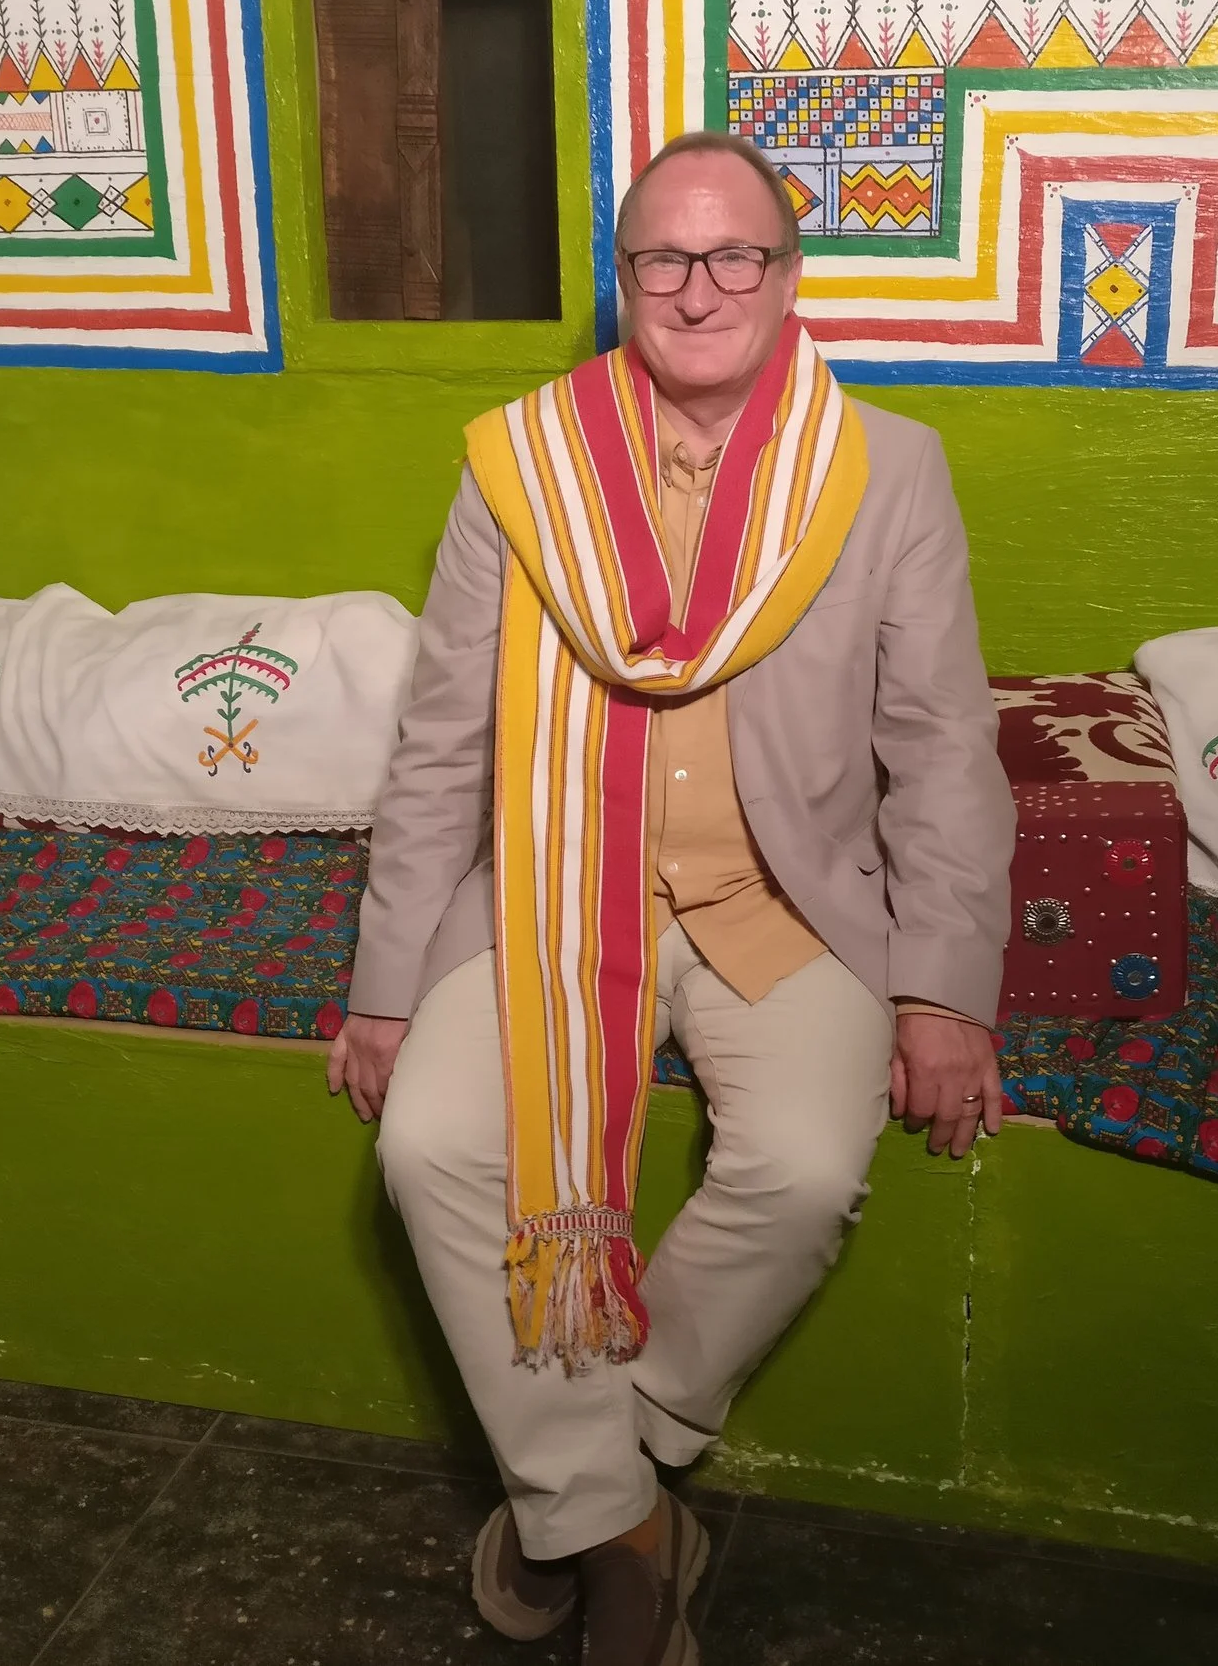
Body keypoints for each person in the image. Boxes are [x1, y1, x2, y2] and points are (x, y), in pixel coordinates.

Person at [326, 130, 1013, 1665]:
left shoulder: (883, 466)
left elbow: (943, 743)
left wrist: (947, 988)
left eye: (734, 256)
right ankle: (627, 1527)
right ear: (622, 277)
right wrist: (383, 982)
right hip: (553, 892)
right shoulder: (522, 462)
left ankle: (595, 1467)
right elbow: (440, 738)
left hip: (784, 891)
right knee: (429, 1140)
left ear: (786, 274)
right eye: (662, 259)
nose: (698, 288)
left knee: (812, 1166)